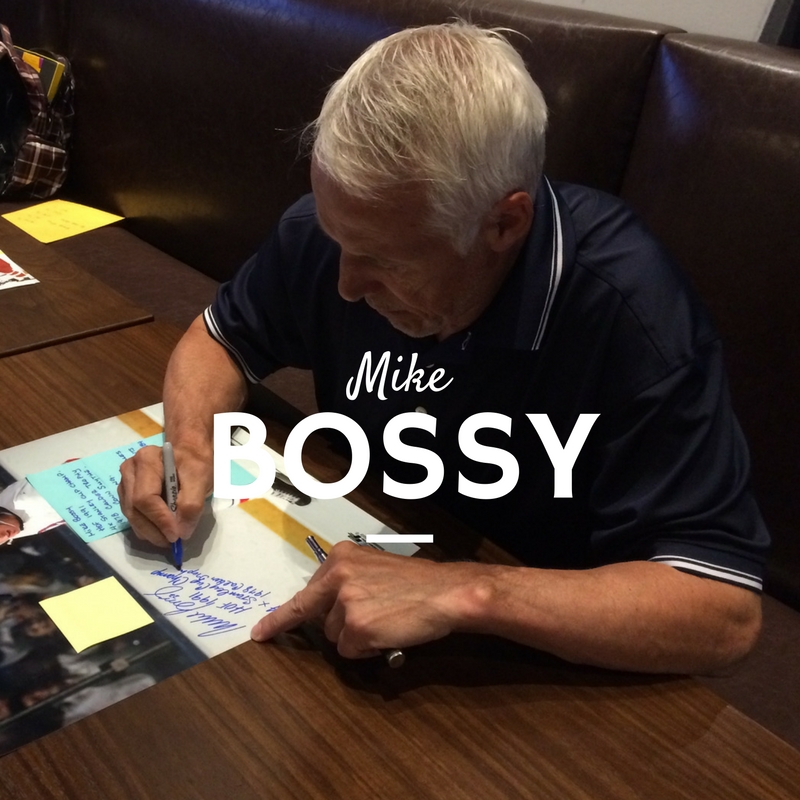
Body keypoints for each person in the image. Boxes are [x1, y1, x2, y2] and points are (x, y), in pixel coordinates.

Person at [118, 22, 769, 675]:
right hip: (355, 553)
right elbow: (218, 339)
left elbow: (722, 611)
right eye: (337, 240)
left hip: (526, 660)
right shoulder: (346, 228)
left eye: (386, 261)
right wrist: (191, 452)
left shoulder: (631, 311)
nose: (345, 284)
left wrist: (464, 590)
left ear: (504, 225)